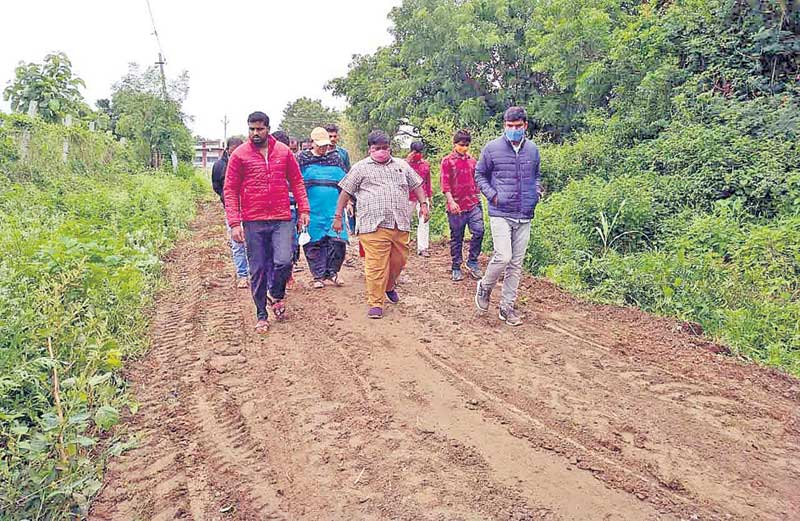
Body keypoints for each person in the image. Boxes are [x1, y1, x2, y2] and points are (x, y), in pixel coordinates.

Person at [224, 112, 310, 334]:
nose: (255, 133)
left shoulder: (283, 152)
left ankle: (277, 293)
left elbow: (297, 181)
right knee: (258, 268)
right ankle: (261, 314)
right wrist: (234, 223)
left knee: (283, 260)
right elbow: (230, 190)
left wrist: (303, 210)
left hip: (281, 217)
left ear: (268, 129)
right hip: (253, 220)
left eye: (259, 129)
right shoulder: (239, 155)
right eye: (251, 129)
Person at [333, 130, 430, 319]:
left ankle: (389, 285)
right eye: (377, 148)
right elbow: (345, 192)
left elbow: (417, 185)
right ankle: (376, 302)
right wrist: (338, 216)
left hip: (399, 223)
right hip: (372, 225)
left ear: (390, 148)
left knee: (398, 262)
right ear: (370, 149)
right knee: (376, 265)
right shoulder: (360, 168)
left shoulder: (402, 165)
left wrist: (424, 204)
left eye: (385, 148)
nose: (381, 151)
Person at [473, 106, 541, 326]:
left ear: (525, 126)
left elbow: (536, 175)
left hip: (525, 213)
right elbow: (480, 174)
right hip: (500, 212)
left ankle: (506, 307)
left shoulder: (532, 149)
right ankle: (485, 286)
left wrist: (536, 192)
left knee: (516, 264)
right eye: (510, 126)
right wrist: (493, 196)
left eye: (517, 126)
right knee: (504, 256)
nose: (513, 130)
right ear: (504, 125)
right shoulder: (492, 148)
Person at [297, 127, 349, 288]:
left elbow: (345, 183)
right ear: (312, 142)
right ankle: (318, 276)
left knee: (338, 242)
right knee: (314, 243)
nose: (323, 148)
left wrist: (349, 203)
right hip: (312, 209)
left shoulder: (336, 158)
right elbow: (296, 183)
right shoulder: (302, 159)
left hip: (334, 208)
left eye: (325, 144)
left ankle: (332, 272)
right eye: (320, 145)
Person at [441, 129, 484, 282]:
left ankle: (472, 261)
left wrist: (480, 198)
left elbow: (477, 181)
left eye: (466, 145)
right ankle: (456, 266)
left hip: (473, 204)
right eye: (461, 145)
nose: (464, 148)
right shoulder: (447, 161)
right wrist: (451, 201)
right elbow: (445, 184)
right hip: (456, 206)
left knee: (479, 232)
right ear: (455, 144)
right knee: (457, 238)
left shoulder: (472, 161)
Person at [211, 137, 248, 287]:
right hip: (232, 209)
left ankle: (254, 274)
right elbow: (216, 186)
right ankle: (242, 275)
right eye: (234, 152)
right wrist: (225, 198)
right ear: (228, 150)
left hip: (250, 207)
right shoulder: (219, 166)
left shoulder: (247, 162)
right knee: (237, 242)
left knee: (252, 243)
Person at [272, 131, 302, 286]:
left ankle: (288, 274)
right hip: (269, 211)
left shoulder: (292, 161)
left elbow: (299, 185)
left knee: (291, 243)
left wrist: (302, 210)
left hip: (290, 209)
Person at [406, 141, 432, 257]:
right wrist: (408, 162)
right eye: (416, 152)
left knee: (424, 221)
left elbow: (428, 182)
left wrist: (428, 199)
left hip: (423, 198)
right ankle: (403, 245)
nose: (418, 154)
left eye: (420, 152)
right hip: (408, 197)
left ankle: (423, 248)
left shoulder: (425, 165)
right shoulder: (405, 165)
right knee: (404, 221)